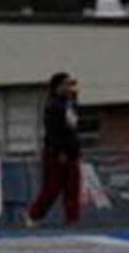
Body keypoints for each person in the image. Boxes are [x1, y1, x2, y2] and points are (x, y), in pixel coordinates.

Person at [23, 74, 92, 228]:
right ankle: (34, 214)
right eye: (67, 84)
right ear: (58, 87)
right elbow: (53, 131)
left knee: (73, 187)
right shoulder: (53, 105)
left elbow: (72, 128)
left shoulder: (70, 103)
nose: (70, 87)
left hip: (71, 151)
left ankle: (72, 219)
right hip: (56, 153)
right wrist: (59, 151)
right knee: (52, 188)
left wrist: (75, 150)